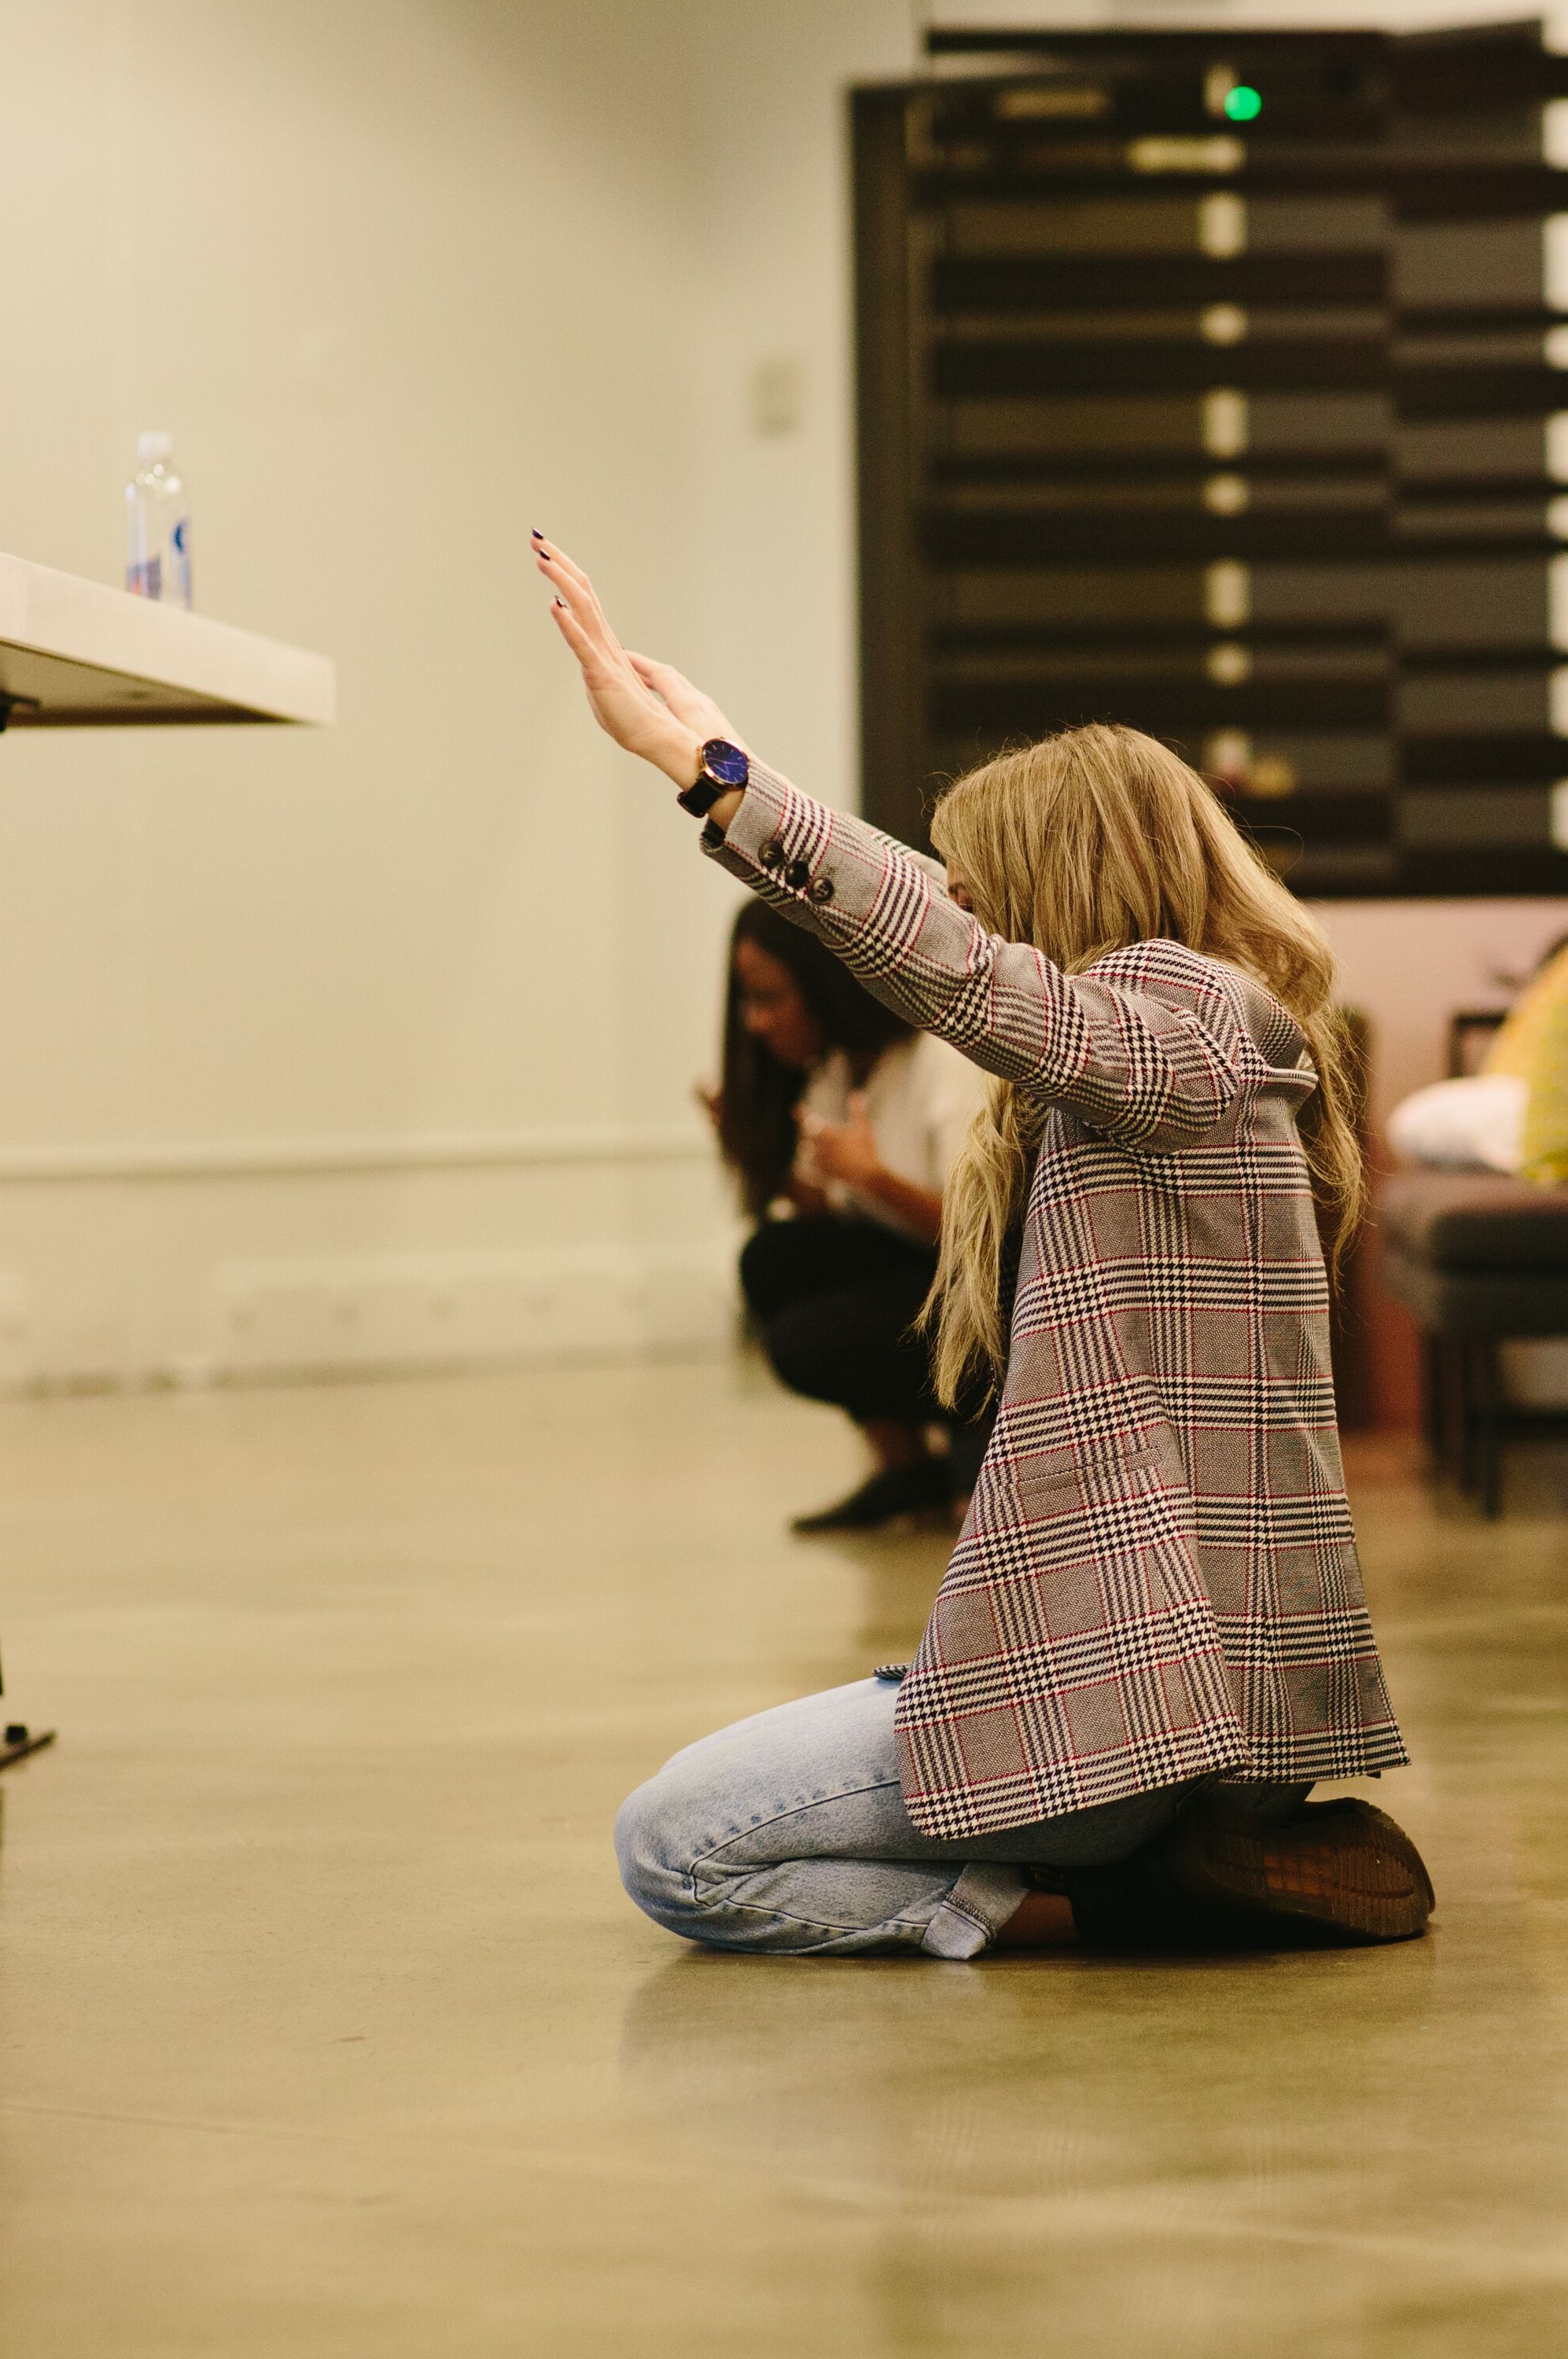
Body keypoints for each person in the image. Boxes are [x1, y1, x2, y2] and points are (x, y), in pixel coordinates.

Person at [535, 531, 1431, 1957]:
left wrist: (715, 775)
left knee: (676, 1850)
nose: (959, 912)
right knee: (704, 1827)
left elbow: (970, 980)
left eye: (973, 883)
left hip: (1133, 1712)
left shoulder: (1176, 1014)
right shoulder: (1212, 1052)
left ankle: (1108, 1890)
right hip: (1188, 1703)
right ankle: (1159, 1870)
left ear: (1056, 881)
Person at [711, 897, 992, 1530]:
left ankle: (980, 1425)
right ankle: (907, 1473)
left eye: (770, 998)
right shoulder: (840, 1068)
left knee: (806, 1343)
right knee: (773, 1259)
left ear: (823, 987)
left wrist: (874, 1180)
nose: (755, 1023)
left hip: (988, 1293)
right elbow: (834, 1210)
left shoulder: (940, 1057)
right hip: (925, 1272)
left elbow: (991, 1242)